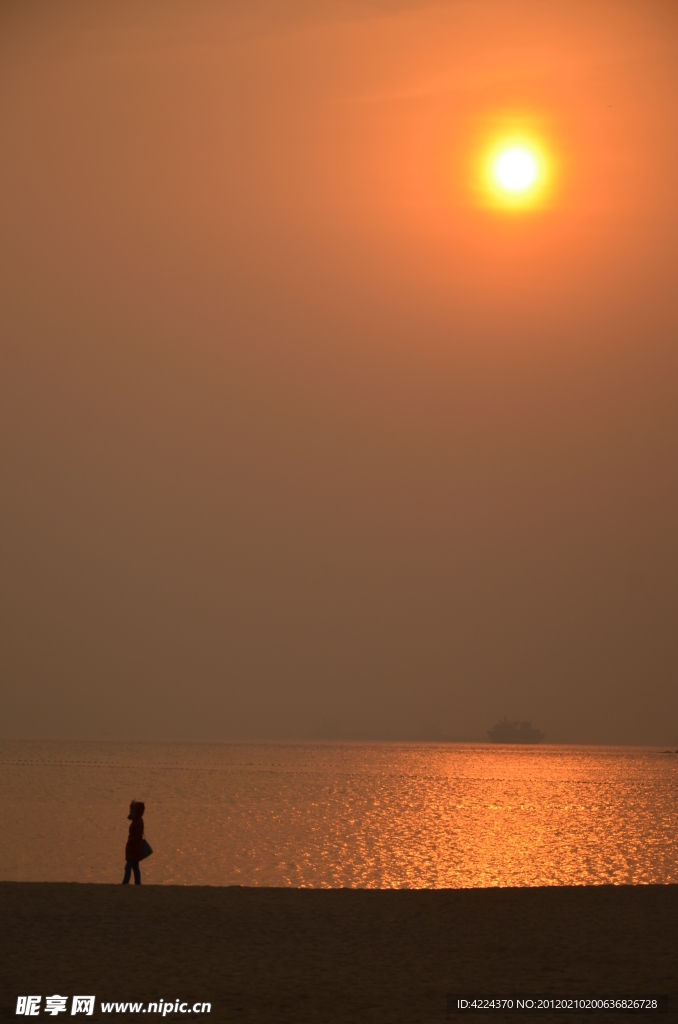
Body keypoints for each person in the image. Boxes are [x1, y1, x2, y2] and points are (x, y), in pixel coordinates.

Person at [122, 800, 145, 884]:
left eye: (131, 810)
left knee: (128, 867)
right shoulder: (136, 820)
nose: (130, 811)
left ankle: (125, 883)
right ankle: (137, 883)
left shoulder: (138, 821)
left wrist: (130, 841)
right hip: (134, 849)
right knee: (135, 867)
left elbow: (138, 836)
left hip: (134, 849)